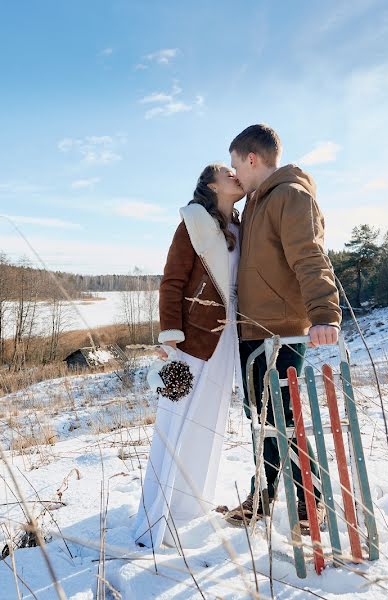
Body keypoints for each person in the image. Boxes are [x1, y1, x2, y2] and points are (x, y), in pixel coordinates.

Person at [222, 124, 341, 530]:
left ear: (251, 158)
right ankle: (263, 495)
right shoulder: (256, 202)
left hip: (281, 330)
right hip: (253, 330)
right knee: (264, 420)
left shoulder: (290, 195)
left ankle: (312, 503)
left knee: (283, 418)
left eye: (236, 164)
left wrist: (325, 314)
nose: (235, 173)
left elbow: (310, 255)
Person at [133, 163, 245, 549]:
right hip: (193, 337)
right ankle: (160, 516)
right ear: (212, 185)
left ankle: (191, 507)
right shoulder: (193, 222)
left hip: (227, 337)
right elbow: (172, 281)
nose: (236, 176)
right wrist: (171, 337)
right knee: (179, 419)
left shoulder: (240, 228)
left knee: (209, 421)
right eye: (228, 173)